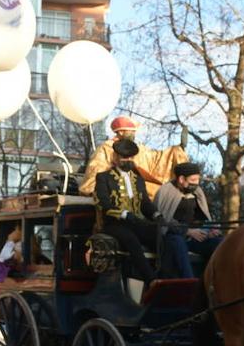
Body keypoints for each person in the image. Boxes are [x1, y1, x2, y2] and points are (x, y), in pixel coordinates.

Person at [93, 138, 161, 283]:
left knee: (160, 236)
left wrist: (156, 214)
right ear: (116, 157)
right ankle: (151, 279)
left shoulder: (138, 179)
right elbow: (103, 203)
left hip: (136, 222)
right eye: (125, 157)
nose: (128, 160)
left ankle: (165, 275)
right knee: (130, 239)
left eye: (131, 158)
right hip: (113, 224)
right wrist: (124, 215)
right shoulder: (103, 178)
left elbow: (145, 203)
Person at [80, 116, 188, 200]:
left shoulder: (138, 148)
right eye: (131, 131)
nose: (134, 133)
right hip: (117, 185)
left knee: (164, 192)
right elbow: (96, 170)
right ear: (120, 132)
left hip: (137, 183)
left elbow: (157, 159)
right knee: (152, 193)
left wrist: (177, 150)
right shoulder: (106, 148)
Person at [154, 162, 222, 278]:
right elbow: (163, 221)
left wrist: (210, 229)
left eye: (198, 180)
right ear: (181, 179)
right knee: (178, 243)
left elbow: (202, 217)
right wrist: (187, 231)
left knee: (219, 243)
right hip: (173, 237)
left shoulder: (197, 192)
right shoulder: (166, 191)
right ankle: (189, 282)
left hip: (195, 237)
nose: (197, 183)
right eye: (193, 180)